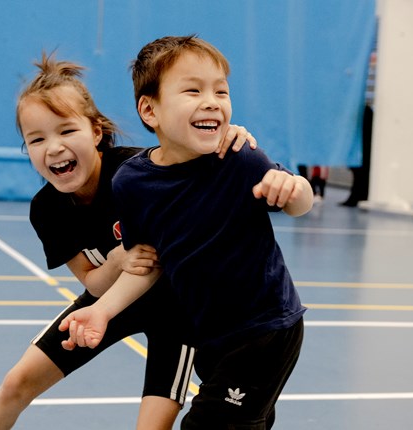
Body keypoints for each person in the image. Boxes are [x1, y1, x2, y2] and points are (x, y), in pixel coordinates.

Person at [0, 52, 257, 430]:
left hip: (177, 313)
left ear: (96, 132)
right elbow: (91, 280)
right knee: (14, 385)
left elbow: (202, 158)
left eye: (66, 130)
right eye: (36, 139)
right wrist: (119, 260)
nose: (53, 147)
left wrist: (232, 136)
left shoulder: (139, 171)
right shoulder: (47, 210)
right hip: (109, 301)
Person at [59, 35, 313, 429]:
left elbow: (299, 202)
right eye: (193, 90)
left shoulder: (239, 157)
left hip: (265, 330)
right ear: (150, 110)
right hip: (210, 338)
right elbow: (147, 262)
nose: (212, 101)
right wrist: (102, 310)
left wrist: (296, 189)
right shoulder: (132, 182)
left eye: (221, 91)